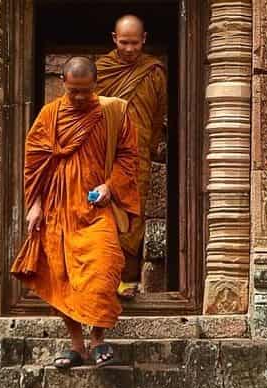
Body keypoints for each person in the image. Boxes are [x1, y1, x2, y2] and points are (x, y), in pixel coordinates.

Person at [11, 57, 140, 369]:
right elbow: (35, 164)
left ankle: (98, 340)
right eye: (74, 92)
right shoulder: (50, 115)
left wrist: (111, 186)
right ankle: (76, 345)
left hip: (97, 209)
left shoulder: (114, 112)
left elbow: (129, 156)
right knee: (63, 278)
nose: (80, 97)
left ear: (95, 84)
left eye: (85, 91)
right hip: (58, 209)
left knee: (104, 270)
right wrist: (36, 205)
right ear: (62, 83)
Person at [96, 14, 168, 300]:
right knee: (101, 216)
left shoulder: (154, 73)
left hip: (137, 158)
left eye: (134, 43)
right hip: (103, 157)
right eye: (124, 42)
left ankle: (126, 280)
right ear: (114, 39)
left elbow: (158, 114)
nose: (129, 49)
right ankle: (100, 279)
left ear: (144, 39)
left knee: (132, 218)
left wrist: (147, 149)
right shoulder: (100, 70)